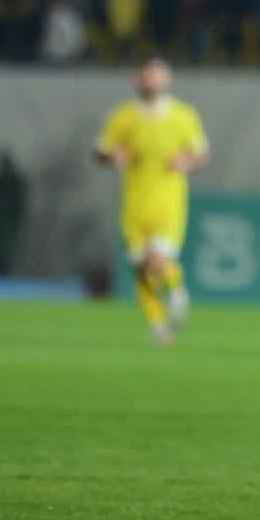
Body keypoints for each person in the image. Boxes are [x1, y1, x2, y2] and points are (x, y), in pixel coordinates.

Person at [94, 58, 210, 345]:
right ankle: (158, 327)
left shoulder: (183, 115)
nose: (151, 82)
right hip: (133, 204)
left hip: (168, 203)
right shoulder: (123, 116)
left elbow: (201, 154)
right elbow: (100, 151)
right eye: (146, 77)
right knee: (141, 269)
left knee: (157, 261)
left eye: (156, 77)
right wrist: (112, 156)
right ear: (136, 81)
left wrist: (187, 161)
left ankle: (178, 294)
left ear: (167, 81)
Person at [0, 149, 29, 277]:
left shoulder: (11, 182)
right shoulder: (0, 181)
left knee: (4, 250)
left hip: (6, 222)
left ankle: (1, 273)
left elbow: (19, 203)